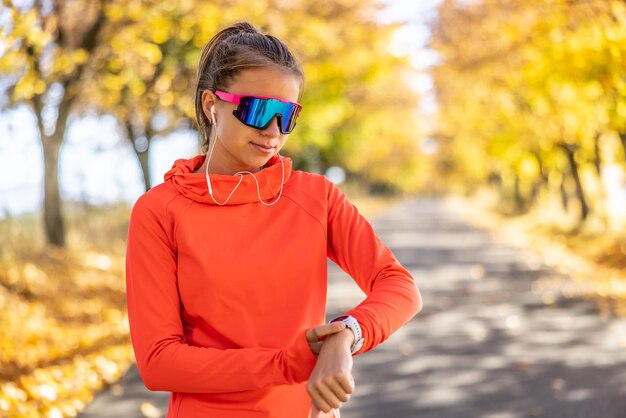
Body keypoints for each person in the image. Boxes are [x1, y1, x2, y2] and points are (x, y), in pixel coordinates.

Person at [125, 21, 422, 418]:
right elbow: (159, 361)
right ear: (213, 106)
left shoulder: (316, 197)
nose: (273, 131)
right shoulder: (160, 211)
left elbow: (399, 286)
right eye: (258, 109)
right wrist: (286, 363)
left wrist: (345, 335)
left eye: (287, 115)